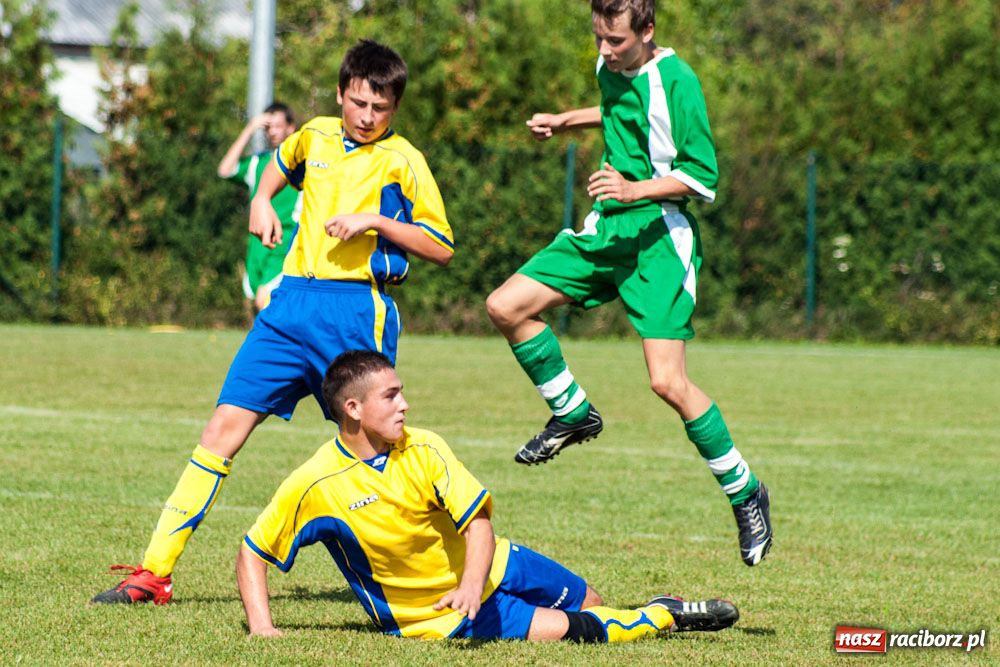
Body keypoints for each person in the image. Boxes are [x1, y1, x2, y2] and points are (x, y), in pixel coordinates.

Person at [92, 40, 455, 605]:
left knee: (382, 457)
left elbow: (442, 247)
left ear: (395, 110)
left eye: (379, 108)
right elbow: (276, 174)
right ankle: (152, 574)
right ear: (340, 94)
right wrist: (262, 201)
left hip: (357, 311)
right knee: (220, 431)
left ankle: (435, 577)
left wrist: (375, 221)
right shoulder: (311, 135)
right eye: (357, 102)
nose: (365, 116)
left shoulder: (403, 160)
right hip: (288, 309)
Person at [484, 0, 772, 567]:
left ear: (647, 31)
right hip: (608, 230)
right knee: (506, 305)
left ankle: (745, 491)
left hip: (660, 239)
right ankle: (572, 412)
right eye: (598, 37)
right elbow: (619, 111)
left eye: (615, 40)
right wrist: (565, 120)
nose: (604, 50)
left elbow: (702, 177)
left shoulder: (678, 79)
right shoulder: (609, 66)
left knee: (667, 382)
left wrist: (633, 189)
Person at [236, 350, 740, 641]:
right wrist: (262, 628)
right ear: (352, 408)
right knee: (581, 630)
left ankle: (641, 606)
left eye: (402, 391)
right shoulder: (315, 484)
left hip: (488, 567)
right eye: (391, 396)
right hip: (439, 616)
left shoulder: (424, 445)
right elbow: (253, 551)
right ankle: (668, 615)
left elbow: (478, 522)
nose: (405, 404)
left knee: (592, 600)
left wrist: (474, 583)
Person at [217, 102, 302, 313]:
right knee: (259, 301)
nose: (272, 132)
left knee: (265, 299)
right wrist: (250, 128)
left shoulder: (301, 163)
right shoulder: (258, 162)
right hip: (257, 244)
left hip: (285, 240)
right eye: (267, 127)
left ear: (290, 127)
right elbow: (225, 170)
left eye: (277, 126)